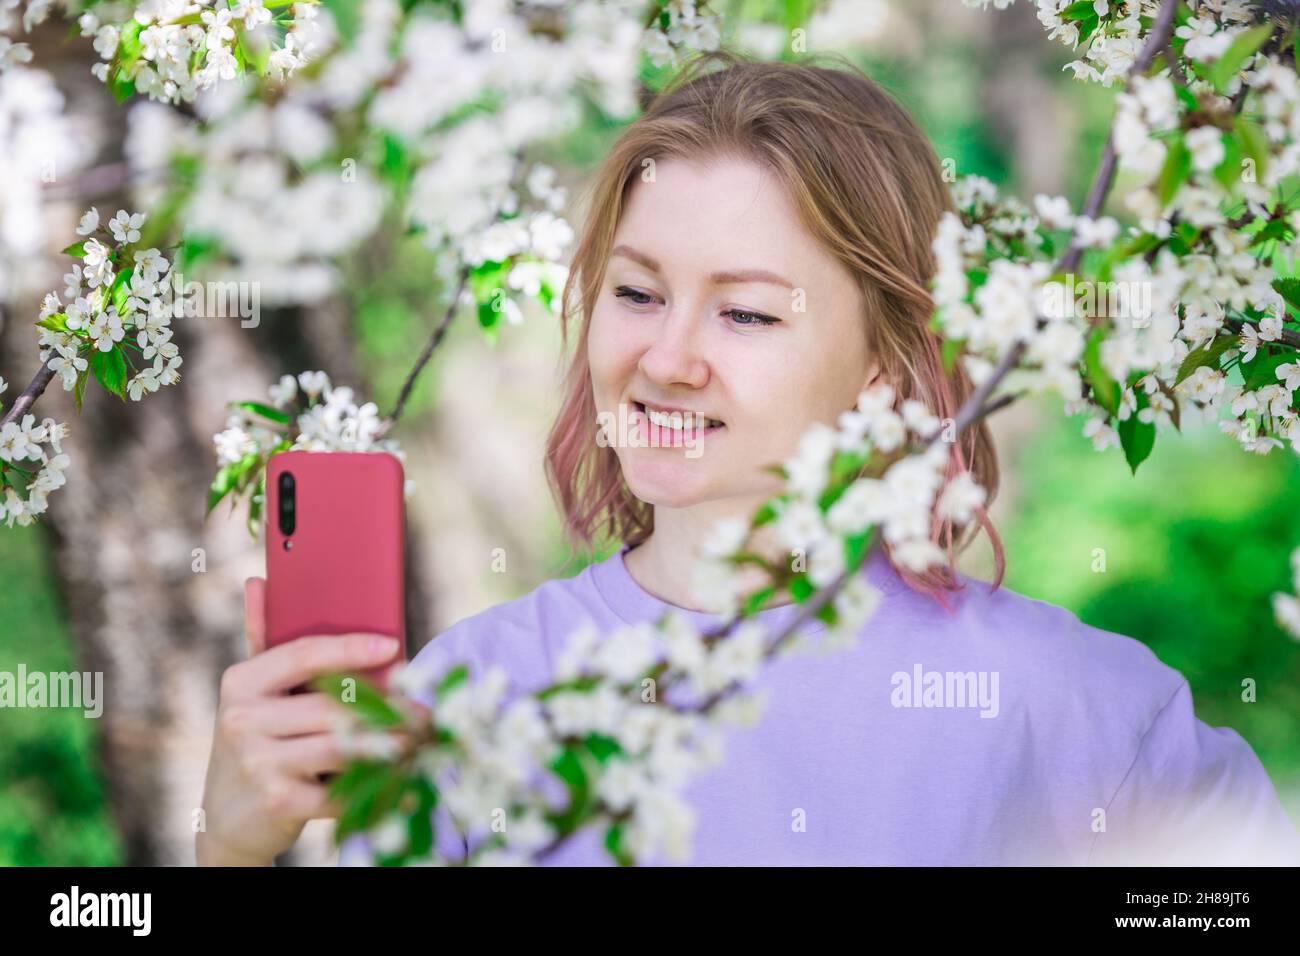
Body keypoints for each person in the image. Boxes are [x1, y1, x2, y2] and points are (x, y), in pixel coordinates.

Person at [197, 52, 1300, 867]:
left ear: (881, 361)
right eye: (636, 293)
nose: (665, 358)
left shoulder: (1078, 711)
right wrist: (233, 852)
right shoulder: (472, 694)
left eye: (746, 314)